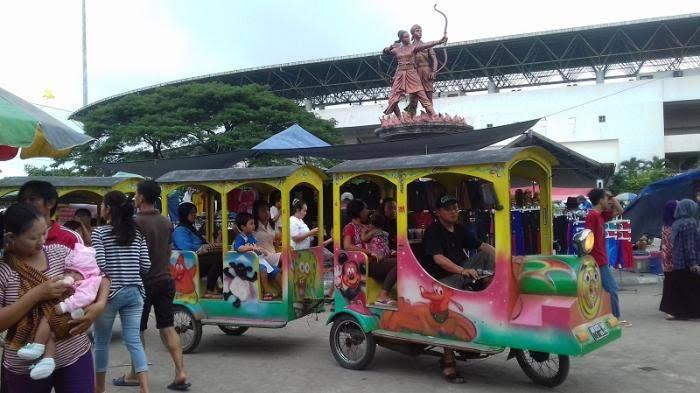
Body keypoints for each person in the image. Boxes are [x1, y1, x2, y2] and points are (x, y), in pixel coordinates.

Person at [0, 204, 99, 392]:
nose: (41, 242)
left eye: (44, 233)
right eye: (33, 237)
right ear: (11, 237)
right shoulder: (4, 270)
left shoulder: (59, 253)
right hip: (24, 366)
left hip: (74, 354)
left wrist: (98, 307)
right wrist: (37, 294)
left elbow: (98, 275)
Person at [119, 180, 190, 390]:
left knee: (137, 330)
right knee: (167, 326)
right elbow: (168, 252)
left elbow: (129, 255)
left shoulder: (133, 223)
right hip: (165, 279)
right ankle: (180, 372)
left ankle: (134, 374)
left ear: (140, 197)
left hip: (141, 283)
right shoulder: (166, 222)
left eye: (135, 194)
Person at [421, 195, 495, 383]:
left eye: (455, 207)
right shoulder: (433, 231)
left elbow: (481, 246)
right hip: (440, 280)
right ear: (438, 213)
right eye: (448, 208)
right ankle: (447, 359)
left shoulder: (460, 229)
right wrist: (463, 271)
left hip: (461, 274)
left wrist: (506, 256)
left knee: (486, 256)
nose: (454, 211)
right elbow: (438, 259)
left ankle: (489, 296)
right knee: (450, 312)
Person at [91, 191, 151, 393]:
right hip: (135, 292)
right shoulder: (137, 233)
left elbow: (100, 264)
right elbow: (146, 266)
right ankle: (144, 388)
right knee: (134, 341)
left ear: (108, 208)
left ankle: (99, 388)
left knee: (101, 342)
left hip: (109, 293)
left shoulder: (99, 233)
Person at [16, 243, 101, 380]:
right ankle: (48, 359)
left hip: (73, 312)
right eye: (68, 271)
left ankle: (37, 346)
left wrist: (65, 306)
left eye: (76, 273)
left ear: (86, 273)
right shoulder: (77, 279)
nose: (71, 275)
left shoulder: (88, 283)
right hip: (69, 314)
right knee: (52, 335)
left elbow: (84, 298)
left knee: (46, 319)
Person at [584, 189, 630, 327]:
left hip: (601, 259)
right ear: (600, 200)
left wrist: (613, 197)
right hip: (597, 260)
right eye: (606, 198)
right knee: (612, 290)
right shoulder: (592, 216)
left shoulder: (600, 216)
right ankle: (614, 319)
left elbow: (621, 211)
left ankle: (606, 318)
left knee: (601, 291)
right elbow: (587, 237)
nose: (608, 201)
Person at [343, 199, 397, 306]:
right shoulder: (349, 228)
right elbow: (347, 246)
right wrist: (369, 252)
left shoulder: (365, 227)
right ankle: (382, 296)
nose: (367, 211)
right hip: (365, 264)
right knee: (400, 264)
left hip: (373, 260)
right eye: (365, 209)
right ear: (359, 212)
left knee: (402, 260)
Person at [382, 30, 447, 118]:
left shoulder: (413, 47)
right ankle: (400, 119)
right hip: (400, 75)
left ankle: (434, 115)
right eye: (405, 37)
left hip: (412, 74)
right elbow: (384, 52)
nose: (408, 38)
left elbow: (426, 45)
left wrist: (439, 41)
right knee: (392, 99)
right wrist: (390, 47)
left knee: (422, 95)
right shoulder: (397, 49)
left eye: (408, 36)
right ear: (401, 39)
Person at [661, 199, 700, 320]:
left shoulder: (677, 223)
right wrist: (693, 263)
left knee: (682, 288)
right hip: (686, 262)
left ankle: (679, 312)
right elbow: (689, 245)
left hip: (678, 261)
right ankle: (690, 313)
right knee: (692, 288)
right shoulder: (689, 223)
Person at [173, 202, 222, 298]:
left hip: (197, 259)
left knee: (221, 255)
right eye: (191, 213)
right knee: (219, 258)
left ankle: (221, 287)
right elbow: (185, 248)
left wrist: (211, 246)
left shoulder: (191, 228)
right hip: (188, 263)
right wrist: (202, 249)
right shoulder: (180, 230)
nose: (194, 215)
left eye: (195, 212)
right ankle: (209, 289)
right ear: (184, 213)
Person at [18, 181, 82, 250]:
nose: (26, 204)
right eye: (23, 200)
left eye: (32, 199)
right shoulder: (16, 236)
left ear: (50, 203)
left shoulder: (71, 237)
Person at [233, 212, 282, 301]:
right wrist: (251, 248)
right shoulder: (240, 237)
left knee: (276, 270)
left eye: (254, 223)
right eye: (251, 224)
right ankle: (267, 291)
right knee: (263, 269)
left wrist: (261, 250)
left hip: (257, 260)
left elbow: (255, 246)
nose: (254, 225)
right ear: (243, 227)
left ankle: (285, 290)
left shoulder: (250, 236)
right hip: (247, 263)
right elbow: (239, 248)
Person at [404, 24, 438, 116]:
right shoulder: (409, 47)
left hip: (426, 71)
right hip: (415, 73)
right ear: (413, 33)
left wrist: (434, 71)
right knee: (413, 98)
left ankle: (431, 116)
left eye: (420, 30)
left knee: (429, 97)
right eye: (417, 31)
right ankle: (410, 117)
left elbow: (434, 59)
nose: (420, 32)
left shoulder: (427, 46)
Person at [659, 200, 678, 319]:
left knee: (669, 284)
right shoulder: (673, 227)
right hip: (672, 259)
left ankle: (667, 308)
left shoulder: (666, 225)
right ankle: (670, 310)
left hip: (666, 260)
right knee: (672, 285)